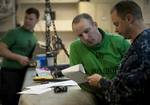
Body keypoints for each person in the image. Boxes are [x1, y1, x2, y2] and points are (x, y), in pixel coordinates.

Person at [87, 1, 150, 105]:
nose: (116, 30)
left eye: (117, 24)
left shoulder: (140, 51)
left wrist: (101, 82)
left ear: (129, 19)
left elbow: (122, 95)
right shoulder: (144, 40)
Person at [69, 13, 130, 99]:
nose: (85, 38)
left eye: (87, 31)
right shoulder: (75, 47)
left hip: (123, 95)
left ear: (95, 25)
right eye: (80, 35)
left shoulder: (120, 42)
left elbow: (133, 76)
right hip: (97, 96)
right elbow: (80, 80)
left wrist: (103, 84)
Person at [0, 7, 39, 105]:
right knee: (9, 101)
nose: (27, 21)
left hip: (24, 74)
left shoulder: (34, 37)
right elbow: (1, 50)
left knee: (20, 101)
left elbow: (31, 56)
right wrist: (19, 58)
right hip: (9, 74)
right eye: (26, 18)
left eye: (30, 19)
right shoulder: (14, 33)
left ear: (37, 20)